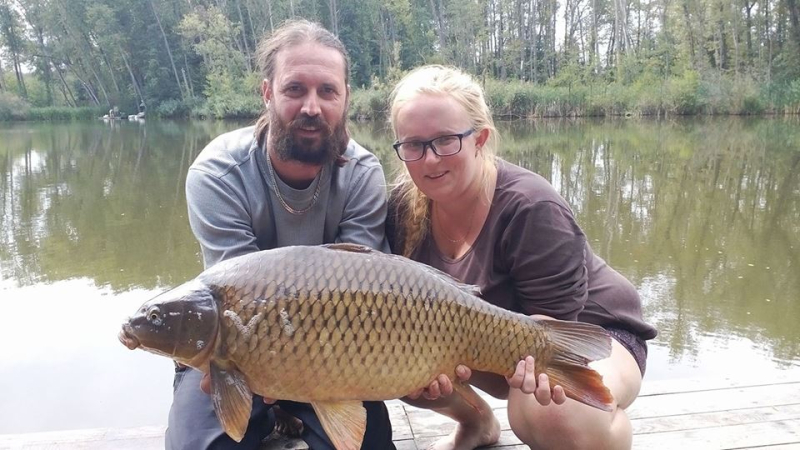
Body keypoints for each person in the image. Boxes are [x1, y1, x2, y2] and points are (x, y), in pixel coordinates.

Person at [386, 65, 658, 450]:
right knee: (389, 352)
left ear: (480, 138)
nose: (430, 159)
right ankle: (477, 423)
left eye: (446, 140)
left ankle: (606, 434)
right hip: (487, 339)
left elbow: (552, 334)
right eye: (414, 145)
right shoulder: (401, 207)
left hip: (589, 332)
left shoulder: (531, 206)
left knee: (550, 410)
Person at [166, 19, 396, 450]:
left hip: (336, 347)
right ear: (267, 93)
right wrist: (268, 374)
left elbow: (364, 300)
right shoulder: (218, 172)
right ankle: (272, 416)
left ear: (346, 98)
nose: (312, 107)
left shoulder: (362, 173)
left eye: (327, 91)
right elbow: (236, 298)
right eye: (295, 89)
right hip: (232, 350)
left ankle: (290, 415)